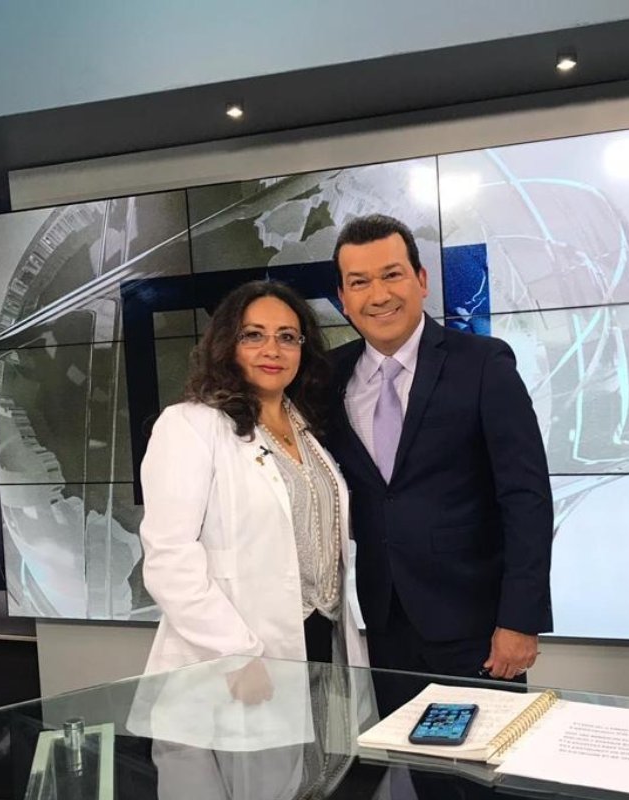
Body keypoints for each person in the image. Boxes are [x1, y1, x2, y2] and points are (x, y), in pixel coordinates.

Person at [326, 214, 554, 713]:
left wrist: (521, 619)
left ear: (421, 279)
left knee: (486, 758)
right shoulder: (328, 376)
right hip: (385, 625)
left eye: (391, 274)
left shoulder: (483, 364)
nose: (378, 295)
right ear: (343, 297)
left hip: (478, 627)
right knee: (407, 753)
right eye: (359, 282)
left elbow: (526, 497)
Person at [138, 279, 369, 692]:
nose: (272, 350)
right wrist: (235, 653)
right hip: (239, 651)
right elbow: (169, 558)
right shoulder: (190, 425)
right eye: (253, 335)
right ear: (227, 344)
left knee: (327, 735)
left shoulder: (308, 429)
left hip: (324, 639)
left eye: (287, 337)